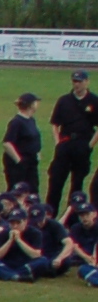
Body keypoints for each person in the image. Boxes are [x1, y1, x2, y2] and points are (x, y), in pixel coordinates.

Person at [49, 72, 98, 204]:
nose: (77, 84)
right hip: (65, 143)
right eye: (75, 81)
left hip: (82, 144)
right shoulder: (64, 100)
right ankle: (50, 215)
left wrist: (90, 145)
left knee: (77, 183)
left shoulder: (94, 101)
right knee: (56, 181)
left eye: (80, 81)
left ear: (87, 82)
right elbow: (55, 123)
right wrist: (57, 142)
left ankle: (73, 216)